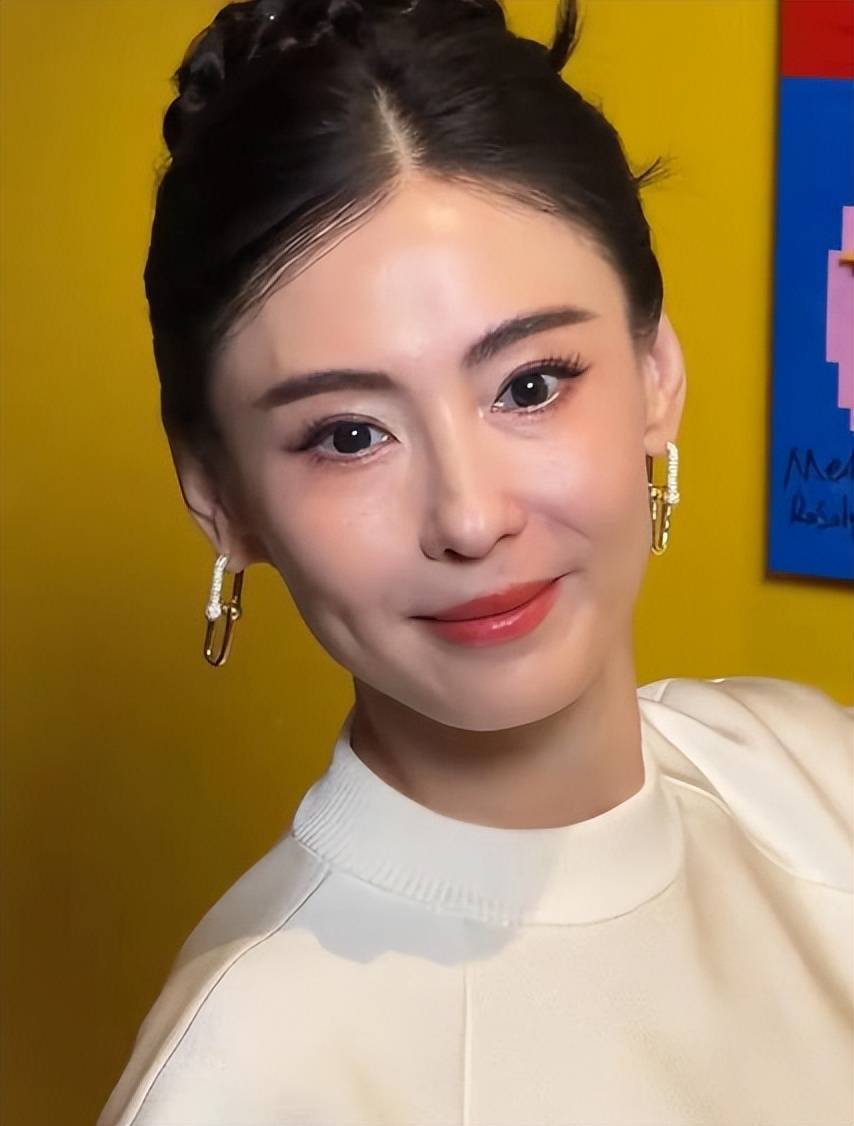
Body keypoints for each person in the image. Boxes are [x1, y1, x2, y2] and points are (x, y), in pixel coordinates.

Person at [97, 0, 853, 1122]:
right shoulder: (247, 1071)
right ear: (221, 497)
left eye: (530, 385)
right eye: (348, 435)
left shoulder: (807, 774)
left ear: (655, 373)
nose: (468, 516)